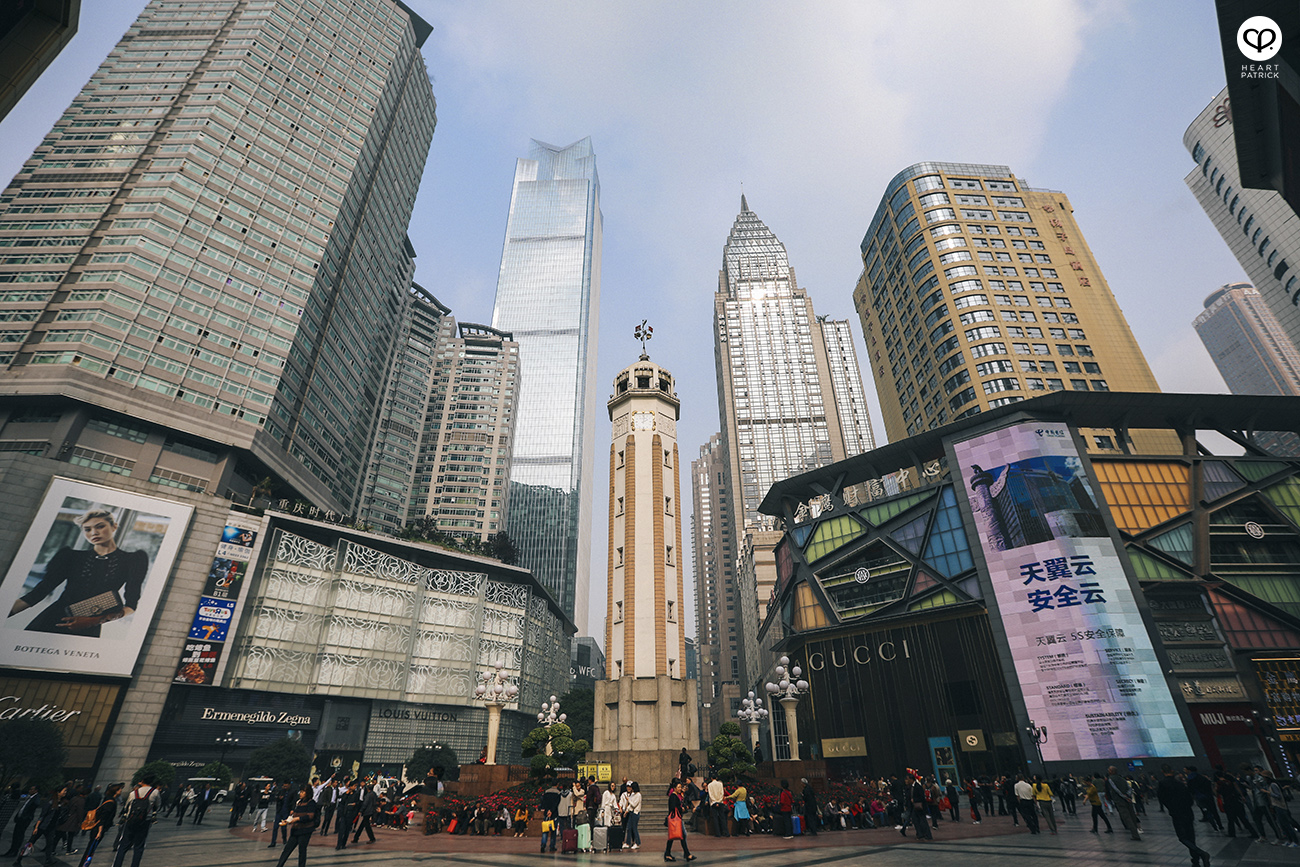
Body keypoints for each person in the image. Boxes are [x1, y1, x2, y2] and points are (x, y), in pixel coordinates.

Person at [7, 508, 150, 636]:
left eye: (100, 526)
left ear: (114, 526)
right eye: (87, 529)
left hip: (88, 628)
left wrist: (93, 621)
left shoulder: (133, 560)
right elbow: (37, 593)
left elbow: (131, 606)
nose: (94, 532)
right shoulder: (71, 557)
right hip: (51, 620)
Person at [1156, 765, 1210, 867]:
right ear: (1172, 771)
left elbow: (1162, 798)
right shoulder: (1180, 783)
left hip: (1177, 813)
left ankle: (1201, 853)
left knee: (1182, 837)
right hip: (1188, 812)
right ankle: (1195, 861)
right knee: (1191, 837)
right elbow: (1189, 798)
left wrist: (1171, 808)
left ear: (1163, 772)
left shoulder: (1162, 783)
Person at [111, 776, 160, 867]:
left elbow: (127, 807)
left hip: (130, 821)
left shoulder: (134, 793)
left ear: (142, 781)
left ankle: (117, 865)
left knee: (123, 846)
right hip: (145, 821)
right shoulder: (155, 792)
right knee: (139, 847)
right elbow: (157, 805)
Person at [274, 785, 320, 867]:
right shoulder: (299, 802)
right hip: (295, 830)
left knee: (302, 851)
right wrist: (288, 820)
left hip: (305, 830)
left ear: (307, 793)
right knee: (287, 850)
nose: (300, 793)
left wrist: (297, 819)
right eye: (300, 792)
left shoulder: (311, 803)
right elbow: (294, 814)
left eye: (303, 792)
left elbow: (310, 816)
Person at [79, 783, 121, 867]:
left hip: (97, 828)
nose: (121, 791)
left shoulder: (108, 799)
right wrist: (100, 831)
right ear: (116, 791)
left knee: (90, 849)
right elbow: (103, 818)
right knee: (90, 849)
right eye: (120, 789)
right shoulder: (110, 803)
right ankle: (83, 865)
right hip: (98, 829)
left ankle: (84, 864)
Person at [1106, 766, 1142, 841]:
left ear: (1111, 772)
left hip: (1120, 801)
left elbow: (1116, 789)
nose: (1108, 771)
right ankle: (1136, 832)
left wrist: (1124, 796)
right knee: (1132, 816)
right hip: (1128, 800)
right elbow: (1129, 788)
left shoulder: (1111, 779)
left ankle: (1135, 834)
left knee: (1127, 818)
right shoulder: (1121, 778)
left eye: (1109, 770)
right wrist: (1128, 796)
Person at [4, 786, 39, 858]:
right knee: (16, 834)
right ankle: (12, 850)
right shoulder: (30, 797)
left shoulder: (35, 798)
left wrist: (25, 816)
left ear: (35, 790)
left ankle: (14, 850)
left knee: (19, 835)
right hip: (21, 818)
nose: (30, 790)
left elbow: (34, 806)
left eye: (31, 789)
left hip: (25, 819)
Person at [664, 781, 694, 862]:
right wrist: (682, 809)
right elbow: (674, 807)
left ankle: (668, 854)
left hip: (676, 818)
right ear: (674, 788)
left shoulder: (676, 796)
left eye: (681, 787)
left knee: (673, 837)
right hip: (676, 819)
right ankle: (687, 854)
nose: (680, 789)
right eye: (679, 787)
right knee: (681, 836)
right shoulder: (673, 796)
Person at [334, 781, 359, 850]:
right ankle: (338, 844)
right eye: (354, 786)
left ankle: (343, 844)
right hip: (344, 814)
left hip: (350, 815)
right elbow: (342, 803)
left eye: (355, 786)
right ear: (350, 787)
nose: (355, 787)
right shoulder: (345, 794)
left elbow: (358, 803)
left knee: (347, 830)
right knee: (341, 830)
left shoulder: (356, 794)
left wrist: (355, 805)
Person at [909, 772, 932, 841]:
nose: (906, 781)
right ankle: (920, 834)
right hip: (915, 807)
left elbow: (922, 797)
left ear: (911, 779)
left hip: (919, 807)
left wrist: (914, 800)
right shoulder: (912, 787)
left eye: (907, 779)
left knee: (922, 821)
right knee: (916, 820)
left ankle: (927, 835)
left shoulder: (918, 786)